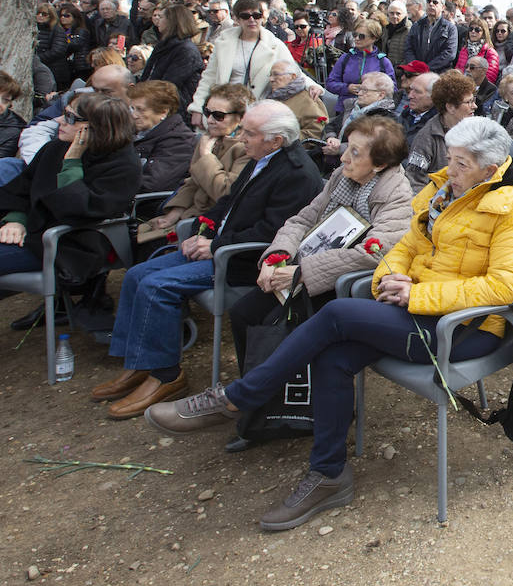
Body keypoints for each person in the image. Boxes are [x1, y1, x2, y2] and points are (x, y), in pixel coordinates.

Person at [144, 117, 513, 530]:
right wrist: (390, 278)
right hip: (418, 313)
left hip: (462, 330)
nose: (450, 170)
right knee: (332, 356)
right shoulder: (443, 191)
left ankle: (238, 397)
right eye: (451, 159)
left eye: (460, 164)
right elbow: (404, 247)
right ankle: (328, 474)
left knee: (335, 314)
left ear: (489, 172)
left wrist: (417, 293)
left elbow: (503, 287)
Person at [94, 101, 323, 419]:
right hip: (220, 247)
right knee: (136, 274)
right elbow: (229, 201)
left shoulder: (296, 173)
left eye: (249, 132)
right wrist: (207, 226)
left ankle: (165, 376)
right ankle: (139, 363)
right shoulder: (263, 157)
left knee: (156, 286)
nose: (241, 137)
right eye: (242, 129)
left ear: (277, 140)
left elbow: (273, 231)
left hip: (239, 261)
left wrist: (215, 245)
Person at [224, 116, 414, 448]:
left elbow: (376, 252)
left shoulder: (396, 193)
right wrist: (277, 256)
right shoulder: (341, 178)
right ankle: (260, 408)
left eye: (355, 153)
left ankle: (292, 415)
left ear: (380, 163)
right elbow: (304, 218)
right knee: (244, 314)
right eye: (346, 147)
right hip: (306, 270)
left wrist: (301, 272)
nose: (342, 158)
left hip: (343, 283)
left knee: (289, 326)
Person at [0, 95, 140, 331]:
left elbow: (78, 211)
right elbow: (23, 188)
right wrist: (16, 219)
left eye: (69, 118)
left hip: (70, 244)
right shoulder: (55, 148)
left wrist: (72, 162)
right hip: (32, 234)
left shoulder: (123, 166)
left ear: (93, 127)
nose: (59, 122)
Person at [140, 84, 252, 249]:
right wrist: (174, 213)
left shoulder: (247, 148)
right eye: (207, 112)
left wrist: (206, 156)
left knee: (149, 247)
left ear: (241, 118)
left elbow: (225, 192)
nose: (210, 120)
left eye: (218, 115)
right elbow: (193, 181)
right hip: (189, 213)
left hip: (211, 221)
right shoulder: (209, 139)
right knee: (138, 235)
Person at [188, 0, 295, 126]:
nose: (252, 20)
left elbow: (294, 72)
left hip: (257, 112)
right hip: (224, 110)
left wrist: (313, 87)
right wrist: (197, 108)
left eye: (256, 15)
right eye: (245, 16)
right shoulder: (223, 42)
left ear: (262, 17)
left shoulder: (274, 44)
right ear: (237, 19)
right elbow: (208, 77)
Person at [404, 72, 478, 191]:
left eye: (473, 100)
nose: (475, 106)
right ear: (450, 107)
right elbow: (414, 183)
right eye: (468, 102)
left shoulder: (476, 131)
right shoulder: (427, 138)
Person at [128, 80, 197, 194]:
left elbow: (151, 183)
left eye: (141, 110)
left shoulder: (179, 142)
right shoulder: (134, 131)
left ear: (163, 112)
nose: (134, 115)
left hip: (144, 205)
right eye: (132, 108)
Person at [138, 3, 205, 113]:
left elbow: (169, 84)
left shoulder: (186, 50)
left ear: (173, 22)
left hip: (174, 108)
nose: (157, 20)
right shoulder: (163, 45)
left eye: (161, 17)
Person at [320, 73, 396, 166]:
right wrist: (331, 138)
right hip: (335, 162)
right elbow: (331, 125)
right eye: (360, 89)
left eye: (365, 90)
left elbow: (370, 146)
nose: (359, 93)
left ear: (380, 95)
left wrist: (340, 149)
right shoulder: (353, 108)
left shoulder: (385, 118)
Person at [325, 19, 396, 98]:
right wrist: (347, 88)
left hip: (372, 107)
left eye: (361, 36)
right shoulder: (345, 58)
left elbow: (392, 89)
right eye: (354, 35)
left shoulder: (383, 62)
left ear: (374, 38)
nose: (357, 38)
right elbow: (330, 83)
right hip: (345, 107)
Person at [263, 61, 328, 142]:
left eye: (276, 75)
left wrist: (283, 140)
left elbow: (317, 131)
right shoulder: (270, 98)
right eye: (270, 75)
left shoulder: (308, 99)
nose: (271, 79)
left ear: (293, 77)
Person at [403, 0, 458, 73]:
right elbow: (408, 48)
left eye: (435, 2)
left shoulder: (450, 28)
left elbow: (449, 54)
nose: (431, 4)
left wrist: (427, 68)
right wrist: (416, 67)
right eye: (428, 1)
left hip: (439, 74)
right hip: (417, 73)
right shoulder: (416, 26)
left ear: (442, 7)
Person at [51, 3, 93, 90]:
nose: (63, 18)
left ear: (74, 17)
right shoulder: (60, 31)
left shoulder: (81, 31)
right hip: (66, 67)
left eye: (67, 16)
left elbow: (75, 44)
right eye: (61, 15)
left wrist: (60, 42)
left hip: (79, 67)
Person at [456, 17, 501, 85]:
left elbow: (490, 76)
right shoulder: (464, 49)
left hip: (479, 90)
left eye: (477, 30)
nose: (473, 32)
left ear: (484, 33)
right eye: (471, 29)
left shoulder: (490, 52)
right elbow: (458, 69)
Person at [380, 1, 411, 66]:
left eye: (398, 13)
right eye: (392, 13)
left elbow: (410, 55)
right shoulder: (386, 29)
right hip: (386, 68)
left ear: (405, 14)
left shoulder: (409, 31)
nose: (394, 16)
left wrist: (400, 70)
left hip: (400, 71)